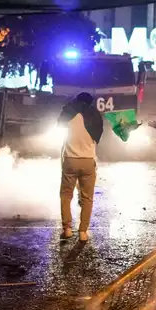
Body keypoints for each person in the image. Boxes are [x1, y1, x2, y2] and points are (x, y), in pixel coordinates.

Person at [57, 92, 103, 242]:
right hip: (88, 160)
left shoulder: (69, 114)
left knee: (66, 195)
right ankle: (83, 231)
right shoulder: (95, 116)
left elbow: (59, 124)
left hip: (70, 159)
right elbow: (100, 135)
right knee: (87, 198)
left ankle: (67, 229)